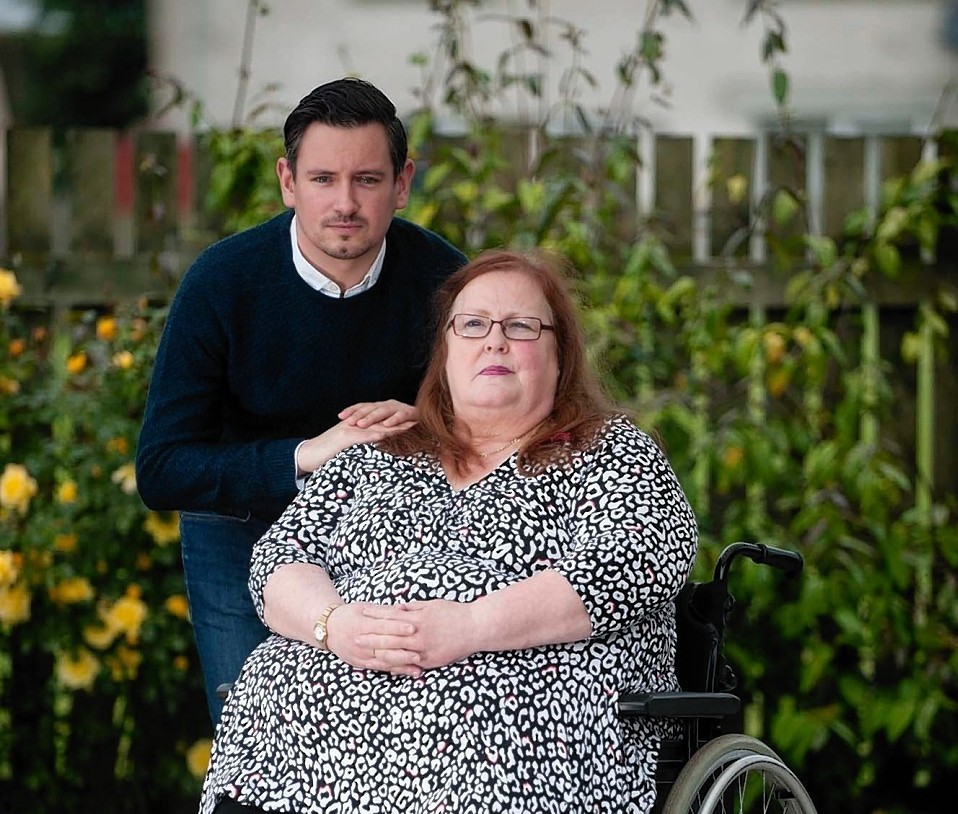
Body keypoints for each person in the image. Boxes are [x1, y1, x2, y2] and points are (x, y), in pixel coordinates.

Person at [198, 247, 699, 814]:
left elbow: (639, 558)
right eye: (474, 324)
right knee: (269, 696)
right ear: (445, 353)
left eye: (522, 326)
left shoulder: (608, 450)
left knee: (462, 723)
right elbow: (280, 560)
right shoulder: (384, 453)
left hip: (521, 729)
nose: (495, 341)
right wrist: (335, 624)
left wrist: (470, 624)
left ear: (561, 358)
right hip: (321, 716)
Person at [135, 77, 466, 725]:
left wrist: (426, 425)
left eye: (368, 180)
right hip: (242, 528)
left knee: (388, 732)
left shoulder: (446, 282)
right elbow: (163, 467)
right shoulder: (223, 282)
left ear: (403, 183)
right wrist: (305, 455)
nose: (345, 202)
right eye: (323, 179)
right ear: (288, 181)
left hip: (395, 530)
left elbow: (497, 424)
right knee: (255, 729)